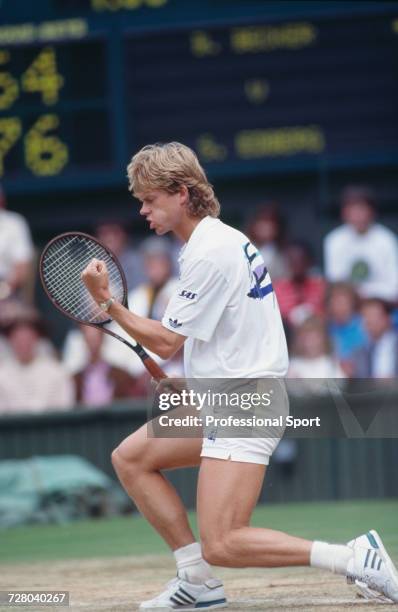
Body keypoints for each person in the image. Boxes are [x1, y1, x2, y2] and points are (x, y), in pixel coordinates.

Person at [81, 142, 398, 609]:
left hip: (246, 402)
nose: (143, 210)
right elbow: (226, 334)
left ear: (182, 193)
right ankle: (197, 581)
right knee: (131, 459)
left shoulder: (209, 251)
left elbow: (167, 343)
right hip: (225, 396)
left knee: (224, 542)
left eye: (150, 199)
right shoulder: (211, 242)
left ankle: (354, 557)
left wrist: (107, 303)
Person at [324, 185, 398, 301]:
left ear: (372, 212)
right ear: (344, 213)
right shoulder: (334, 240)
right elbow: (335, 282)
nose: (357, 215)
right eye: (352, 210)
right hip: (348, 304)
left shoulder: (387, 240)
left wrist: (365, 293)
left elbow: (394, 287)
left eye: (362, 209)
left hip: (381, 303)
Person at [0, 313, 75, 413]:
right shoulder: (2, 374)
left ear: (36, 338)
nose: (23, 343)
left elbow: (65, 409)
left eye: (27, 338)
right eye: (18, 339)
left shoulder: (57, 372)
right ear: (10, 340)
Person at [0, 184, 34, 302]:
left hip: (8, 292)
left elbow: (22, 266)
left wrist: (4, 291)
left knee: (23, 320)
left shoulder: (15, 223)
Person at [352, 299, 398, 378]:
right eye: (366, 316)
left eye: (374, 316)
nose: (370, 321)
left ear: (387, 318)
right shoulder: (359, 353)